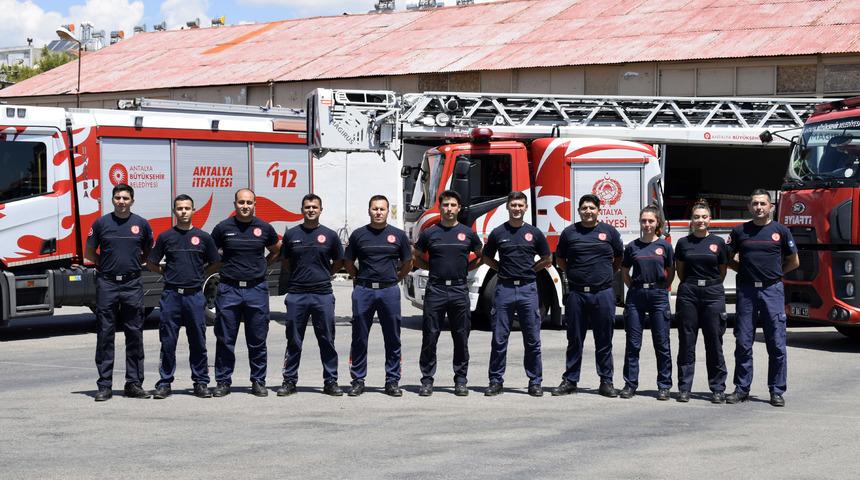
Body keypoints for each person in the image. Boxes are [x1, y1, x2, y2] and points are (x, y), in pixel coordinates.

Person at [726, 189, 799, 407]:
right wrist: (744, 271)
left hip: (772, 291)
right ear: (749, 207)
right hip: (747, 292)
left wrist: (775, 276)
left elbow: (793, 261)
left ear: (771, 207)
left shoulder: (781, 231)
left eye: (763, 204)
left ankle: (776, 391)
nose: (759, 207)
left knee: (776, 343)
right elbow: (727, 258)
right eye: (755, 203)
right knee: (743, 342)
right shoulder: (740, 231)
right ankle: (741, 389)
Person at [147, 194, 220, 399]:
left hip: (195, 296)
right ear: (174, 211)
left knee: (198, 340)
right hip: (171, 296)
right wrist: (165, 273)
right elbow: (151, 262)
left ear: (193, 210)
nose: (183, 212)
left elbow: (216, 262)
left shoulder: (203, 237)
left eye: (187, 208)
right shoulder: (165, 237)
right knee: (168, 341)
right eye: (179, 208)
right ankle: (164, 383)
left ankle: (201, 382)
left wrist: (201, 275)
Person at [86, 183, 153, 402]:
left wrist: (131, 266)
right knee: (105, 334)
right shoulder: (101, 223)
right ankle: (104, 385)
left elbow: (146, 254)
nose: (121, 201)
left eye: (125, 198)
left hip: (132, 284)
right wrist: (105, 266)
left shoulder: (141, 224)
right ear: (112, 200)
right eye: (117, 197)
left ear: (132, 201)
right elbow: (89, 252)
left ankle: (133, 383)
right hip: (107, 284)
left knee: (134, 333)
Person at [210, 188, 280, 397]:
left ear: (255, 204)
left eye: (249, 203)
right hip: (229, 289)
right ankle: (223, 381)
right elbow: (212, 253)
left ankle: (258, 381)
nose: (245, 206)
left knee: (257, 338)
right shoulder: (223, 228)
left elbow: (277, 249)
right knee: (225, 338)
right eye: (241, 202)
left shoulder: (264, 228)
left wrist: (263, 266)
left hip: (256, 289)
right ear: (235, 204)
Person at [413, 190, 483, 397]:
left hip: (459, 289)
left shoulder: (467, 233)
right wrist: (430, 268)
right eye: (445, 205)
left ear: (459, 208)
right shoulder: (430, 233)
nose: (449, 209)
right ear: (440, 207)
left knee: (461, 336)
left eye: (453, 205)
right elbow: (416, 256)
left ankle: (460, 380)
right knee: (430, 336)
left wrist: (465, 270)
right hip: (436, 289)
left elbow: (481, 255)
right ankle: (427, 380)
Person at [553, 194, 623, 398]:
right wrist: (576, 275)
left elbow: (618, 258)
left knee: (604, 340)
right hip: (577, 294)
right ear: (579, 211)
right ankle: (570, 380)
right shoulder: (569, 233)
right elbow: (561, 259)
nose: (588, 211)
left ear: (599, 210)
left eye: (592, 208)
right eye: (584, 208)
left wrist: (606, 274)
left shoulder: (609, 232)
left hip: (603, 294)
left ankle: (606, 382)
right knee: (574, 339)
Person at [482, 191, 551, 397]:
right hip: (504, 289)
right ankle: (495, 381)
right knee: (499, 338)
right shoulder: (498, 233)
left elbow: (547, 258)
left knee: (532, 339)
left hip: (528, 289)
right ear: (507, 207)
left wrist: (531, 270)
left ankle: (535, 381)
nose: (517, 209)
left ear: (526, 208)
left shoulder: (534, 233)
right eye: (513, 205)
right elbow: (486, 258)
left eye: (521, 205)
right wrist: (501, 269)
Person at [344, 195, 412, 397]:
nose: (378, 212)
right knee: (359, 337)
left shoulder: (398, 235)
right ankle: (358, 380)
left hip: (389, 290)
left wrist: (395, 278)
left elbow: (408, 262)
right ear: (369, 210)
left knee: (392, 337)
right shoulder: (358, 235)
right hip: (364, 290)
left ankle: (392, 381)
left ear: (387, 211)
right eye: (375, 209)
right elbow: (348, 262)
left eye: (382, 209)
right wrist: (358, 278)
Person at [278, 194, 345, 397]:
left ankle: (331, 381)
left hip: (322, 294)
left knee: (326, 339)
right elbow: (286, 262)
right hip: (297, 294)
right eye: (307, 207)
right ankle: (289, 381)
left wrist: (324, 274)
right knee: (294, 340)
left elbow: (339, 262)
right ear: (302, 209)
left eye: (314, 207)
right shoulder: (292, 235)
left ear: (321, 210)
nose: (311, 210)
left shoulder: (330, 235)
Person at [674, 200, 729, 404]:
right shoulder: (683, 243)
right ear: (692, 219)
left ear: (710, 219)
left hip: (713, 293)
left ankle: (717, 388)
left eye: (704, 217)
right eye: (696, 217)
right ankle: (684, 388)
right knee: (687, 341)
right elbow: (680, 270)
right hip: (689, 292)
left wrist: (709, 285)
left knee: (714, 341)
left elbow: (722, 270)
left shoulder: (718, 243)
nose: (700, 220)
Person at [620, 205, 675, 400]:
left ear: (657, 222)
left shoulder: (665, 246)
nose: (647, 224)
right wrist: (635, 287)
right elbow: (625, 272)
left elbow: (671, 272)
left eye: (651, 221)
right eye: (644, 220)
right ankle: (630, 384)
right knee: (633, 344)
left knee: (661, 343)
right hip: (636, 297)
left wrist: (660, 287)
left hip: (658, 296)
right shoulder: (632, 247)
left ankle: (664, 385)